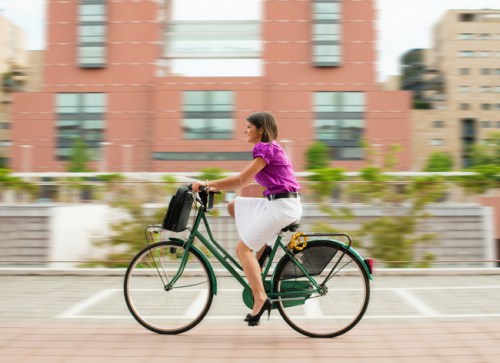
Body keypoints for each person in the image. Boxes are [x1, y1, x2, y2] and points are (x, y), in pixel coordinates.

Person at [192, 111, 302, 326]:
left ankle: (260, 297)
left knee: (242, 250)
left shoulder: (265, 148)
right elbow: (243, 184)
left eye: (249, 127)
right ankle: (259, 251)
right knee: (234, 205)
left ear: (261, 129)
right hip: (278, 203)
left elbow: (241, 178)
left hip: (282, 206)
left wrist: (205, 183)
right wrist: (214, 187)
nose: (245, 130)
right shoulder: (268, 148)